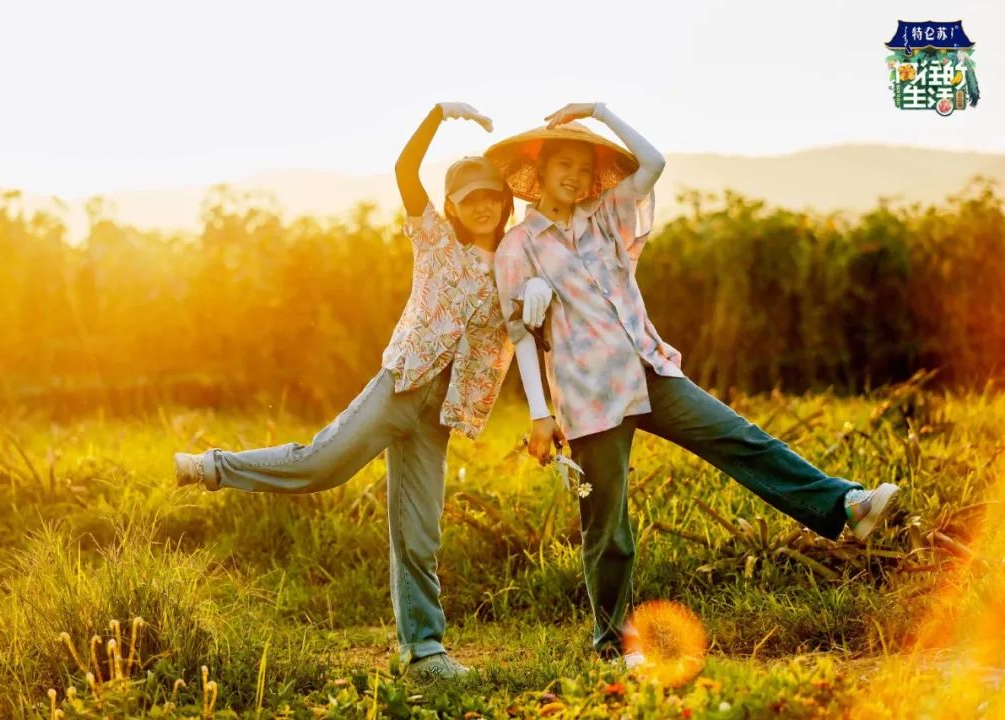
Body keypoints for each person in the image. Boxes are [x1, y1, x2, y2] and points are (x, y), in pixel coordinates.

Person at [486, 102, 900, 667]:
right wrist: (539, 412)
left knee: (741, 438)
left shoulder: (604, 216)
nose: (577, 177)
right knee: (608, 531)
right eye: (565, 164)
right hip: (589, 397)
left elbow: (652, 163)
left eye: (585, 168)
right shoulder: (519, 248)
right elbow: (522, 336)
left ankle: (844, 507)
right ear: (539, 169)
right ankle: (613, 648)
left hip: (650, 370)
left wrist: (601, 112)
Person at [173, 102, 533, 681]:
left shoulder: (518, 260)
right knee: (322, 464)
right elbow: (403, 170)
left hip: (444, 410)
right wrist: (438, 115)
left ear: (505, 202)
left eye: (492, 197)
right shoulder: (435, 241)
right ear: (452, 208)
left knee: (420, 534)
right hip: (401, 386)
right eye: (470, 199)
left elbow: (555, 228)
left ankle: (424, 653)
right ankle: (211, 467)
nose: (484, 207)